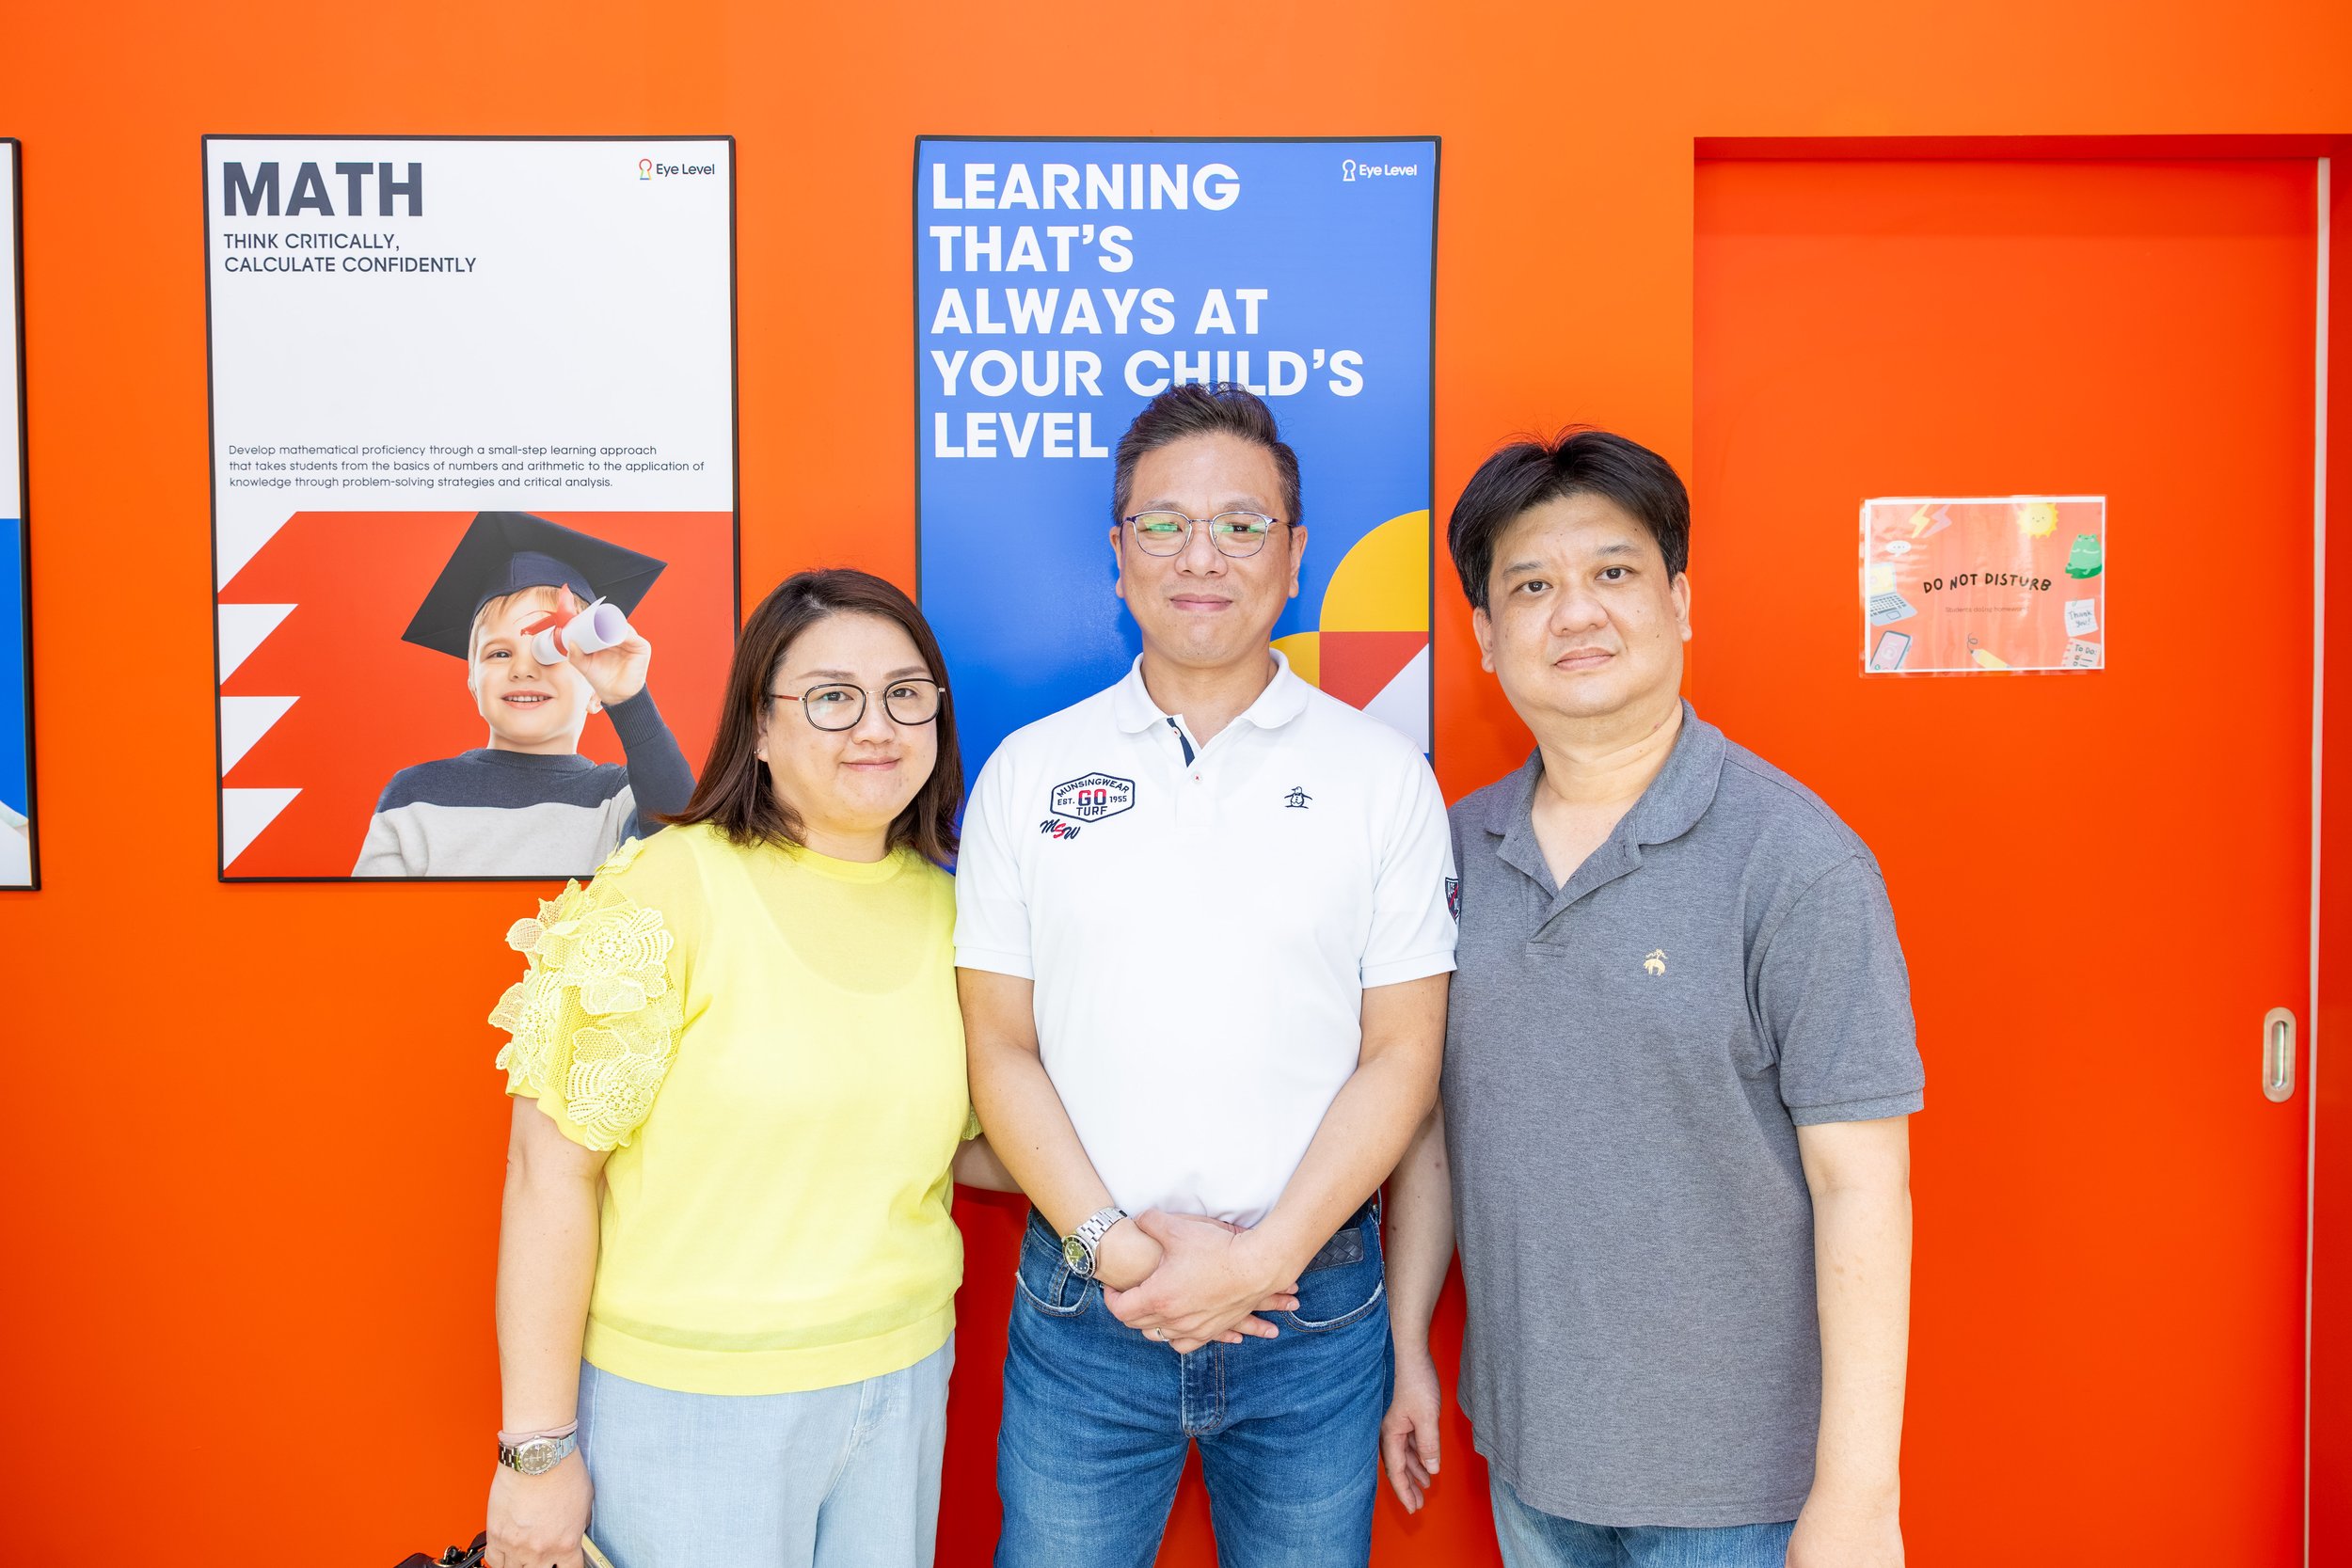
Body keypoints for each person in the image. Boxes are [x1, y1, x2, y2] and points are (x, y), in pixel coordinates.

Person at [1379, 430, 1923, 1568]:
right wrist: (1408, 1347)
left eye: (1613, 572)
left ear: (1679, 601)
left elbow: (1862, 1184)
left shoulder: (1796, 861)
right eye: (1532, 586)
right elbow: (1429, 1123)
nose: (1575, 612)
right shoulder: (1454, 848)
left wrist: (1858, 1497)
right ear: (1484, 636)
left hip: (1740, 1490)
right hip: (1528, 1459)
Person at [957, 383, 1458, 1568]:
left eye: (1240, 525)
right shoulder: (1028, 772)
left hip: (1311, 1309)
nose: (1200, 556)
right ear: (1117, 551)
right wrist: (1122, 1253)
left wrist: (1259, 1263)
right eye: (1163, 523)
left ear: (1293, 555)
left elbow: (1404, 1054)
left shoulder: (1382, 775)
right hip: (1086, 1303)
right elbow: (998, 1047)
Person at [484, 568, 1017, 1568]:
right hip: (690, 1405)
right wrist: (535, 1450)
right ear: (760, 728)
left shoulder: (955, 911)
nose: (877, 727)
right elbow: (548, 1173)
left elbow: (959, 1143)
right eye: (832, 697)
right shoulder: (661, 890)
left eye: (906, 694)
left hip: (901, 1379)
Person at [355, 511, 693, 877]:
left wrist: (630, 700)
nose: (522, 669)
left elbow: (687, 846)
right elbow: (371, 909)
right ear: (473, 683)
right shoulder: (414, 797)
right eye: (499, 654)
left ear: (596, 690)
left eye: (552, 651)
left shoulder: (619, 798)